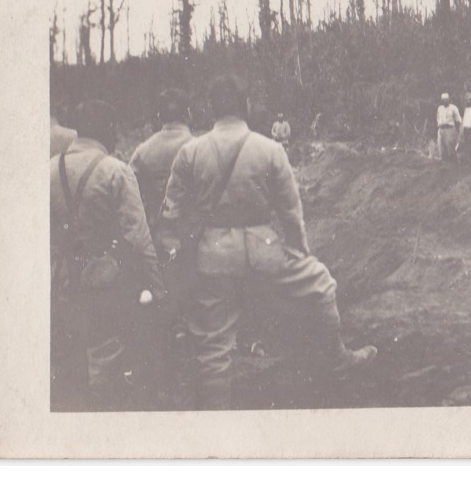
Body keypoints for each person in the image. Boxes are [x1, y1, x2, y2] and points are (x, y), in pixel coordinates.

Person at [160, 75, 375, 409]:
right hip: (264, 252)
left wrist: (186, 256)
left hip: (212, 256)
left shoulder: (190, 152)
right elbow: (291, 213)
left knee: (214, 348)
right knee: (321, 283)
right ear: (246, 106)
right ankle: (338, 359)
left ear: (210, 109)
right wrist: (299, 251)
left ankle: (215, 425)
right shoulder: (270, 149)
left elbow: (171, 216)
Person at [50, 99, 163, 411]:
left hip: (59, 280)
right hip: (104, 282)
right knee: (104, 357)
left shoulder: (47, 170)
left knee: (68, 358)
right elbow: (139, 238)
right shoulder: (115, 171)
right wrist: (156, 287)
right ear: (108, 130)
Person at [130, 89, 195, 239]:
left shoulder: (142, 151)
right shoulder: (199, 149)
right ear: (188, 114)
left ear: (159, 116)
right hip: (192, 232)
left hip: (156, 232)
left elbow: (129, 193)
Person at [435, 93, 462, 162]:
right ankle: (444, 162)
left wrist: (458, 132)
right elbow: (438, 118)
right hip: (441, 129)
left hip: (449, 128)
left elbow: (458, 120)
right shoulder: (440, 108)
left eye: (446, 99)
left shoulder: (453, 108)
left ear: (449, 99)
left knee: (450, 145)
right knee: (441, 146)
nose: (445, 101)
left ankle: (453, 163)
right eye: (443, 100)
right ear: (441, 100)